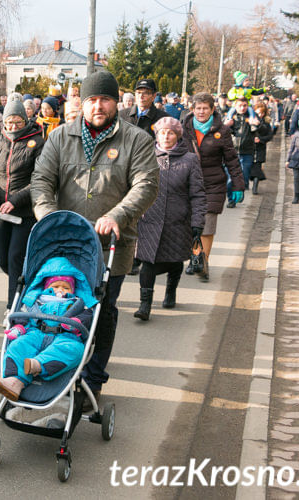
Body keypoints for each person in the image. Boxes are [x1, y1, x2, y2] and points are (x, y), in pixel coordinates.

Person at [31, 70, 159, 401]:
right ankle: (55, 366)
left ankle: (94, 378)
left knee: (102, 311)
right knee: (59, 306)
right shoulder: (61, 137)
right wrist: (47, 216)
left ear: (116, 102)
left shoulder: (136, 140)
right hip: (65, 242)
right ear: (82, 104)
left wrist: (117, 214)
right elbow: (42, 179)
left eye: (104, 99)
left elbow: (146, 184)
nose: (97, 106)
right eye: (91, 100)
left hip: (110, 245)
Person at [0, 257, 96, 401]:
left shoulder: (77, 303)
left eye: (66, 287)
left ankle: (38, 364)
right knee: (18, 345)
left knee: (74, 349)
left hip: (64, 336)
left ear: (73, 289)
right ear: (46, 287)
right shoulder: (36, 299)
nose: (60, 290)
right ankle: (14, 382)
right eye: (56, 286)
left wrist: (75, 322)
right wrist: (19, 327)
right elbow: (23, 315)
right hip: (36, 332)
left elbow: (87, 316)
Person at [133, 117, 206, 321]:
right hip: (148, 219)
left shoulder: (189, 160)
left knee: (174, 261)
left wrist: (197, 222)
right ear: (156, 135)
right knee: (147, 262)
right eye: (162, 132)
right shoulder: (145, 156)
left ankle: (171, 290)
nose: (166, 136)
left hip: (178, 220)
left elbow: (198, 194)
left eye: (171, 132)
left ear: (178, 136)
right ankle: (144, 304)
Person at [0, 99, 45, 311]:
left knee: (15, 257)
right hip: (0, 212)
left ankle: (13, 307)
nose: (13, 127)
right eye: (9, 122)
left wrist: (15, 200)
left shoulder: (37, 143)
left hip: (25, 212)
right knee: (3, 260)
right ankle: (27, 286)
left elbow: (39, 179)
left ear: (25, 120)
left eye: (18, 122)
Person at [182, 92, 244, 282]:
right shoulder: (184, 128)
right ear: (193, 109)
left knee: (207, 225)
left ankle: (203, 262)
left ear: (212, 109)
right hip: (187, 184)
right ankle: (196, 257)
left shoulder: (222, 131)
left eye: (205, 108)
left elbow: (232, 159)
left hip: (213, 184)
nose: (201, 112)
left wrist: (237, 185)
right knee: (191, 225)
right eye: (198, 108)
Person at [224, 96, 258, 206]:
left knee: (243, 176)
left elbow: (264, 131)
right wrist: (226, 126)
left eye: (244, 106)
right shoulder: (230, 118)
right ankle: (231, 200)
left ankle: (240, 191)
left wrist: (258, 124)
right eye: (240, 105)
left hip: (247, 152)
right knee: (230, 179)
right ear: (235, 106)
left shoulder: (252, 117)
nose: (242, 108)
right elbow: (219, 133)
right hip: (232, 152)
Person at [249, 102, 275, 195]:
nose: (260, 115)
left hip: (260, 148)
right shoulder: (250, 121)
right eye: (258, 113)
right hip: (249, 148)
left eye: (262, 113)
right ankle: (246, 184)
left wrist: (260, 139)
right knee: (248, 166)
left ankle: (255, 187)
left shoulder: (266, 123)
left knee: (257, 168)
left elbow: (270, 136)